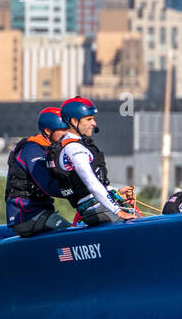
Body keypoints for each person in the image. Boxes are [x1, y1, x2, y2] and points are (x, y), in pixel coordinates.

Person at [48, 96, 138, 224]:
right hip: (97, 209)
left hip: (96, 207)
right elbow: (91, 183)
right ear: (74, 121)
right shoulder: (74, 148)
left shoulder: (71, 145)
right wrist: (118, 211)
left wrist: (115, 192)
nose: (94, 123)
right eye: (89, 119)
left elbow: (86, 185)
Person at [5, 107, 73, 237]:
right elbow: (49, 186)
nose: (66, 134)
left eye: (67, 129)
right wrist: (80, 192)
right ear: (47, 131)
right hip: (26, 216)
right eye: (62, 130)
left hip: (42, 213)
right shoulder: (32, 149)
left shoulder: (52, 150)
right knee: (68, 232)